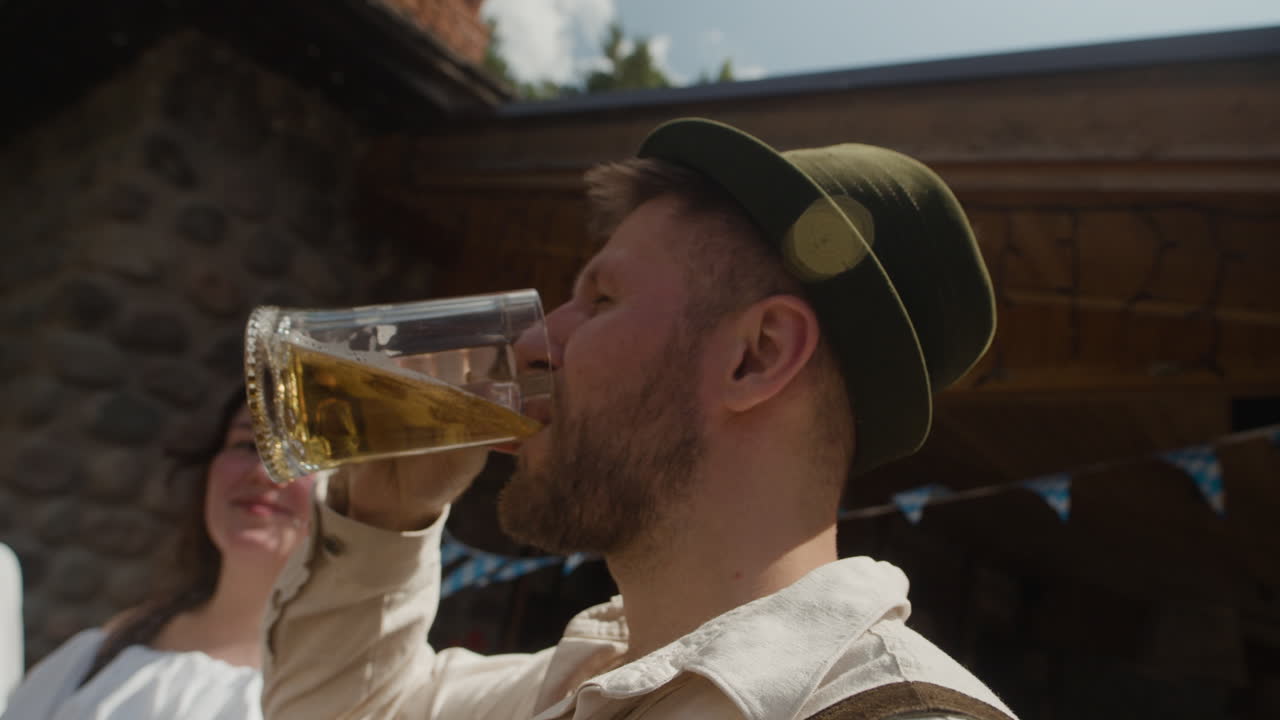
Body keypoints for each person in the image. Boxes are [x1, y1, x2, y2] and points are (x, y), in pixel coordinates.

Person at [261, 118, 1019, 720]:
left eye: (602, 300)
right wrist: (387, 515)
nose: (531, 340)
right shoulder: (571, 687)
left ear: (755, 357)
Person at [3, 390, 314, 719]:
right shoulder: (112, 648)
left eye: (303, 457)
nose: (263, 472)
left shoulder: (348, 689)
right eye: (247, 445)